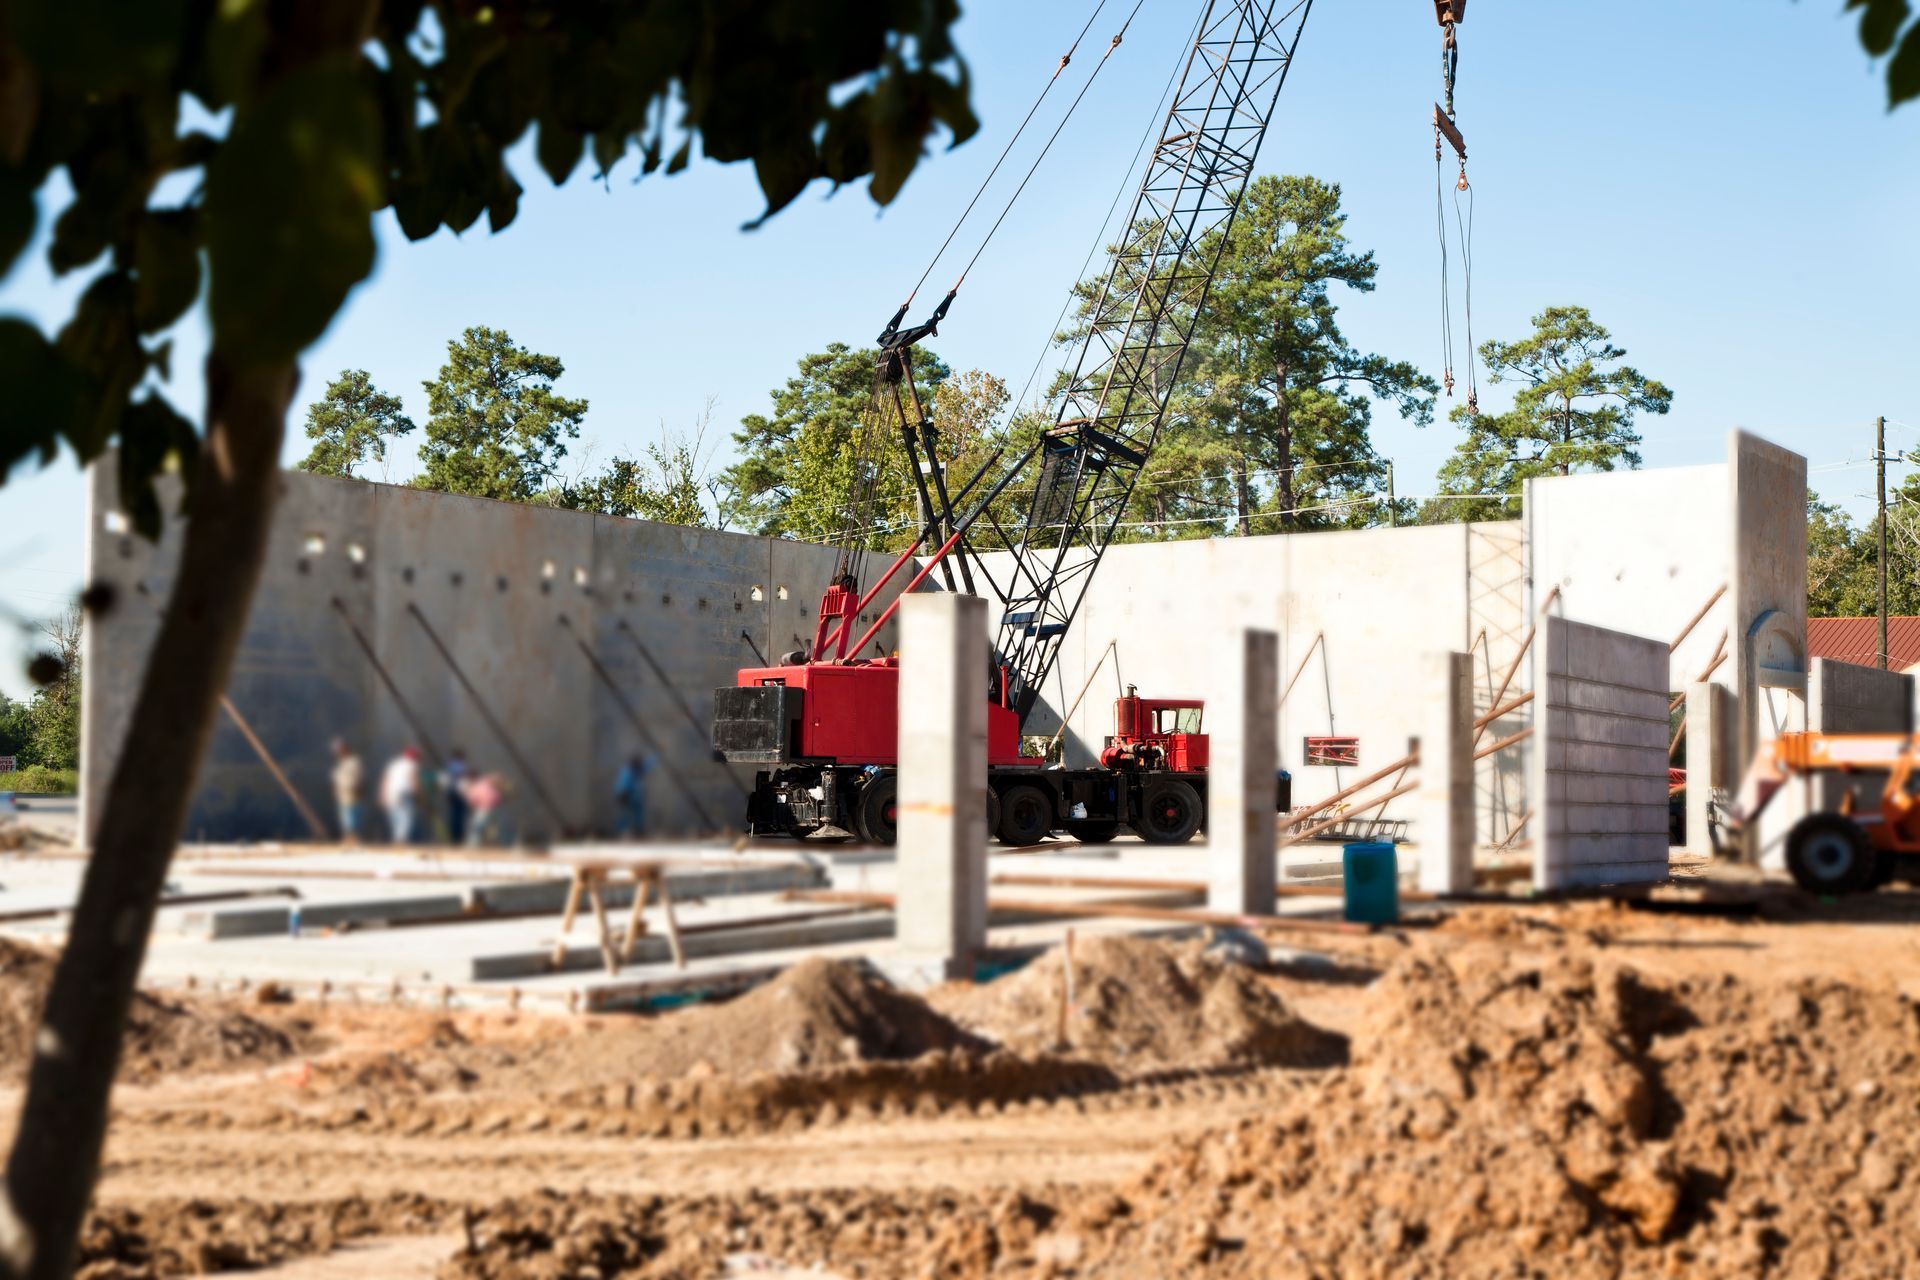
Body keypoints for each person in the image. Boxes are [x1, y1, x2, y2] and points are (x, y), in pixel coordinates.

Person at [381, 746, 423, 844]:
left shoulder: (394, 764)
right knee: (407, 818)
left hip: (391, 793)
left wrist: (383, 795)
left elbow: (386, 779)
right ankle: (401, 841)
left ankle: (397, 840)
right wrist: (419, 794)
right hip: (404, 793)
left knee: (395, 818)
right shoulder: (412, 764)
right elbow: (412, 779)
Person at [330, 739, 364, 844]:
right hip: (343, 794)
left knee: (352, 815)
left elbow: (357, 777)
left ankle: (353, 836)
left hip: (352, 792)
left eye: (339, 750)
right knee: (346, 816)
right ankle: (349, 836)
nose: (338, 753)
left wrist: (354, 787)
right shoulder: (341, 764)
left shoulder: (354, 762)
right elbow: (337, 779)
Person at [614, 754, 653, 838]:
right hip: (626, 795)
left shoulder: (638, 770)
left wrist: (658, 754)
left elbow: (648, 764)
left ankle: (638, 830)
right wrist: (621, 794)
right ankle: (622, 831)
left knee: (637, 812)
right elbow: (622, 783)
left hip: (634, 796)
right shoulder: (628, 771)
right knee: (626, 814)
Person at [464, 770, 505, 847]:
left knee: (476, 829)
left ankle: (473, 846)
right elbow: (498, 799)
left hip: (484, 809)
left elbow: (471, 800)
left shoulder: (479, 786)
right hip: (493, 808)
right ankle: (499, 844)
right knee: (493, 829)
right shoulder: (487, 785)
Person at [443, 748, 470, 844]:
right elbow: (462, 775)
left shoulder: (449, 765)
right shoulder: (458, 765)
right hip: (457, 793)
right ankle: (457, 837)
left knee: (455, 815)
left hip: (451, 792)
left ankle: (455, 836)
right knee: (459, 816)